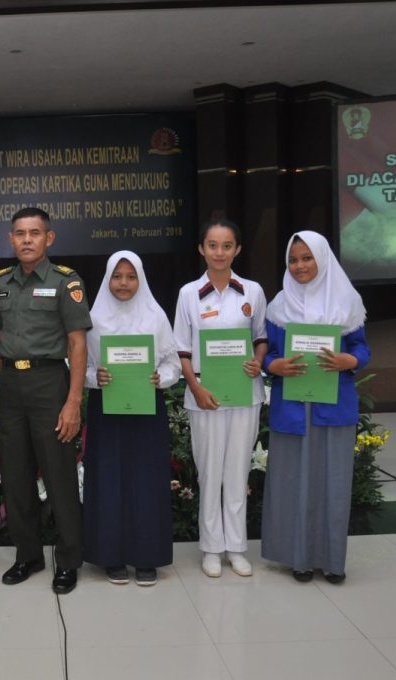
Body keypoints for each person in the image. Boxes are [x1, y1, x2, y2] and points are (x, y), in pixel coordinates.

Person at [0, 207, 91, 594]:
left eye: (35, 233)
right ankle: (27, 555)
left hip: (50, 383)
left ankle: (67, 560)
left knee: (59, 476)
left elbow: (78, 343)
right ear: (11, 239)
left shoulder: (67, 282)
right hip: (11, 385)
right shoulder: (0, 283)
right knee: (14, 477)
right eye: (19, 233)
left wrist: (73, 401)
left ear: (49, 238)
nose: (27, 240)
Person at [262, 230, 369, 584]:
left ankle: (332, 561)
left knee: (332, 481)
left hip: (333, 405)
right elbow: (269, 353)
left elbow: (363, 349)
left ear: (322, 258)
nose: (299, 266)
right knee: (293, 481)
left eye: (307, 258)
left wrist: (348, 359)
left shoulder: (346, 301)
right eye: (293, 260)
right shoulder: (279, 305)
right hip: (292, 406)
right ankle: (300, 559)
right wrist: (271, 366)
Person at [173, 219, 267, 578]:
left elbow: (261, 338)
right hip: (205, 395)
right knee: (210, 473)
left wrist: (258, 362)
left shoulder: (253, 291)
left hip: (245, 394)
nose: (219, 252)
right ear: (201, 249)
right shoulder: (187, 294)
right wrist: (196, 387)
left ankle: (237, 547)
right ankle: (212, 547)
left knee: (237, 470)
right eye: (212, 245)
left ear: (237, 250)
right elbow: (181, 349)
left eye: (227, 246)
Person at [84, 251, 181, 586]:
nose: (123, 283)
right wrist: (95, 377)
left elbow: (173, 363)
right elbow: (78, 366)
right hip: (105, 407)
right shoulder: (92, 319)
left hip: (146, 408)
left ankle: (146, 557)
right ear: (107, 278)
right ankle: (110, 555)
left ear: (140, 279)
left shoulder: (156, 317)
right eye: (117, 276)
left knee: (146, 479)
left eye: (130, 276)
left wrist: (161, 378)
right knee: (107, 478)